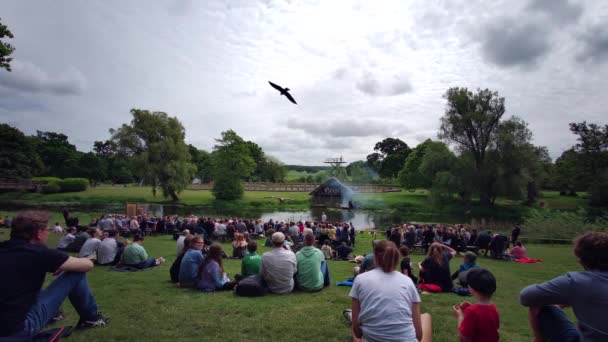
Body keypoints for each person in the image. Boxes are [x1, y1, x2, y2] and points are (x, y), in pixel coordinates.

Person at [0, 211, 109, 339]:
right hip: (17, 329)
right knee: (76, 273)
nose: (49, 232)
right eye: (48, 229)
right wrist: (66, 265)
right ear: (38, 234)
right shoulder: (40, 254)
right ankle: (91, 319)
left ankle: (57, 314)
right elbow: (87, 265)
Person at [520, 231, 608, 342]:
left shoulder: (577, 282)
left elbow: (526, 296)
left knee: (539, 305)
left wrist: (564, 301)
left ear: (582, 258)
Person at [349, 240, 431, 342]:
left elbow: (357, 332)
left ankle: (351, 315)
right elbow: (418, 336)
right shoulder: (408, 282)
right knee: (426, 317)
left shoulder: (360, 279)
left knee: (354, 322)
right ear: (397, 258)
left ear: (375, 257)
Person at [453, 268, 499, 342]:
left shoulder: (472, 311)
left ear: (472, 289)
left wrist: (460, 316)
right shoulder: (494, 308)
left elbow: (464, 338)